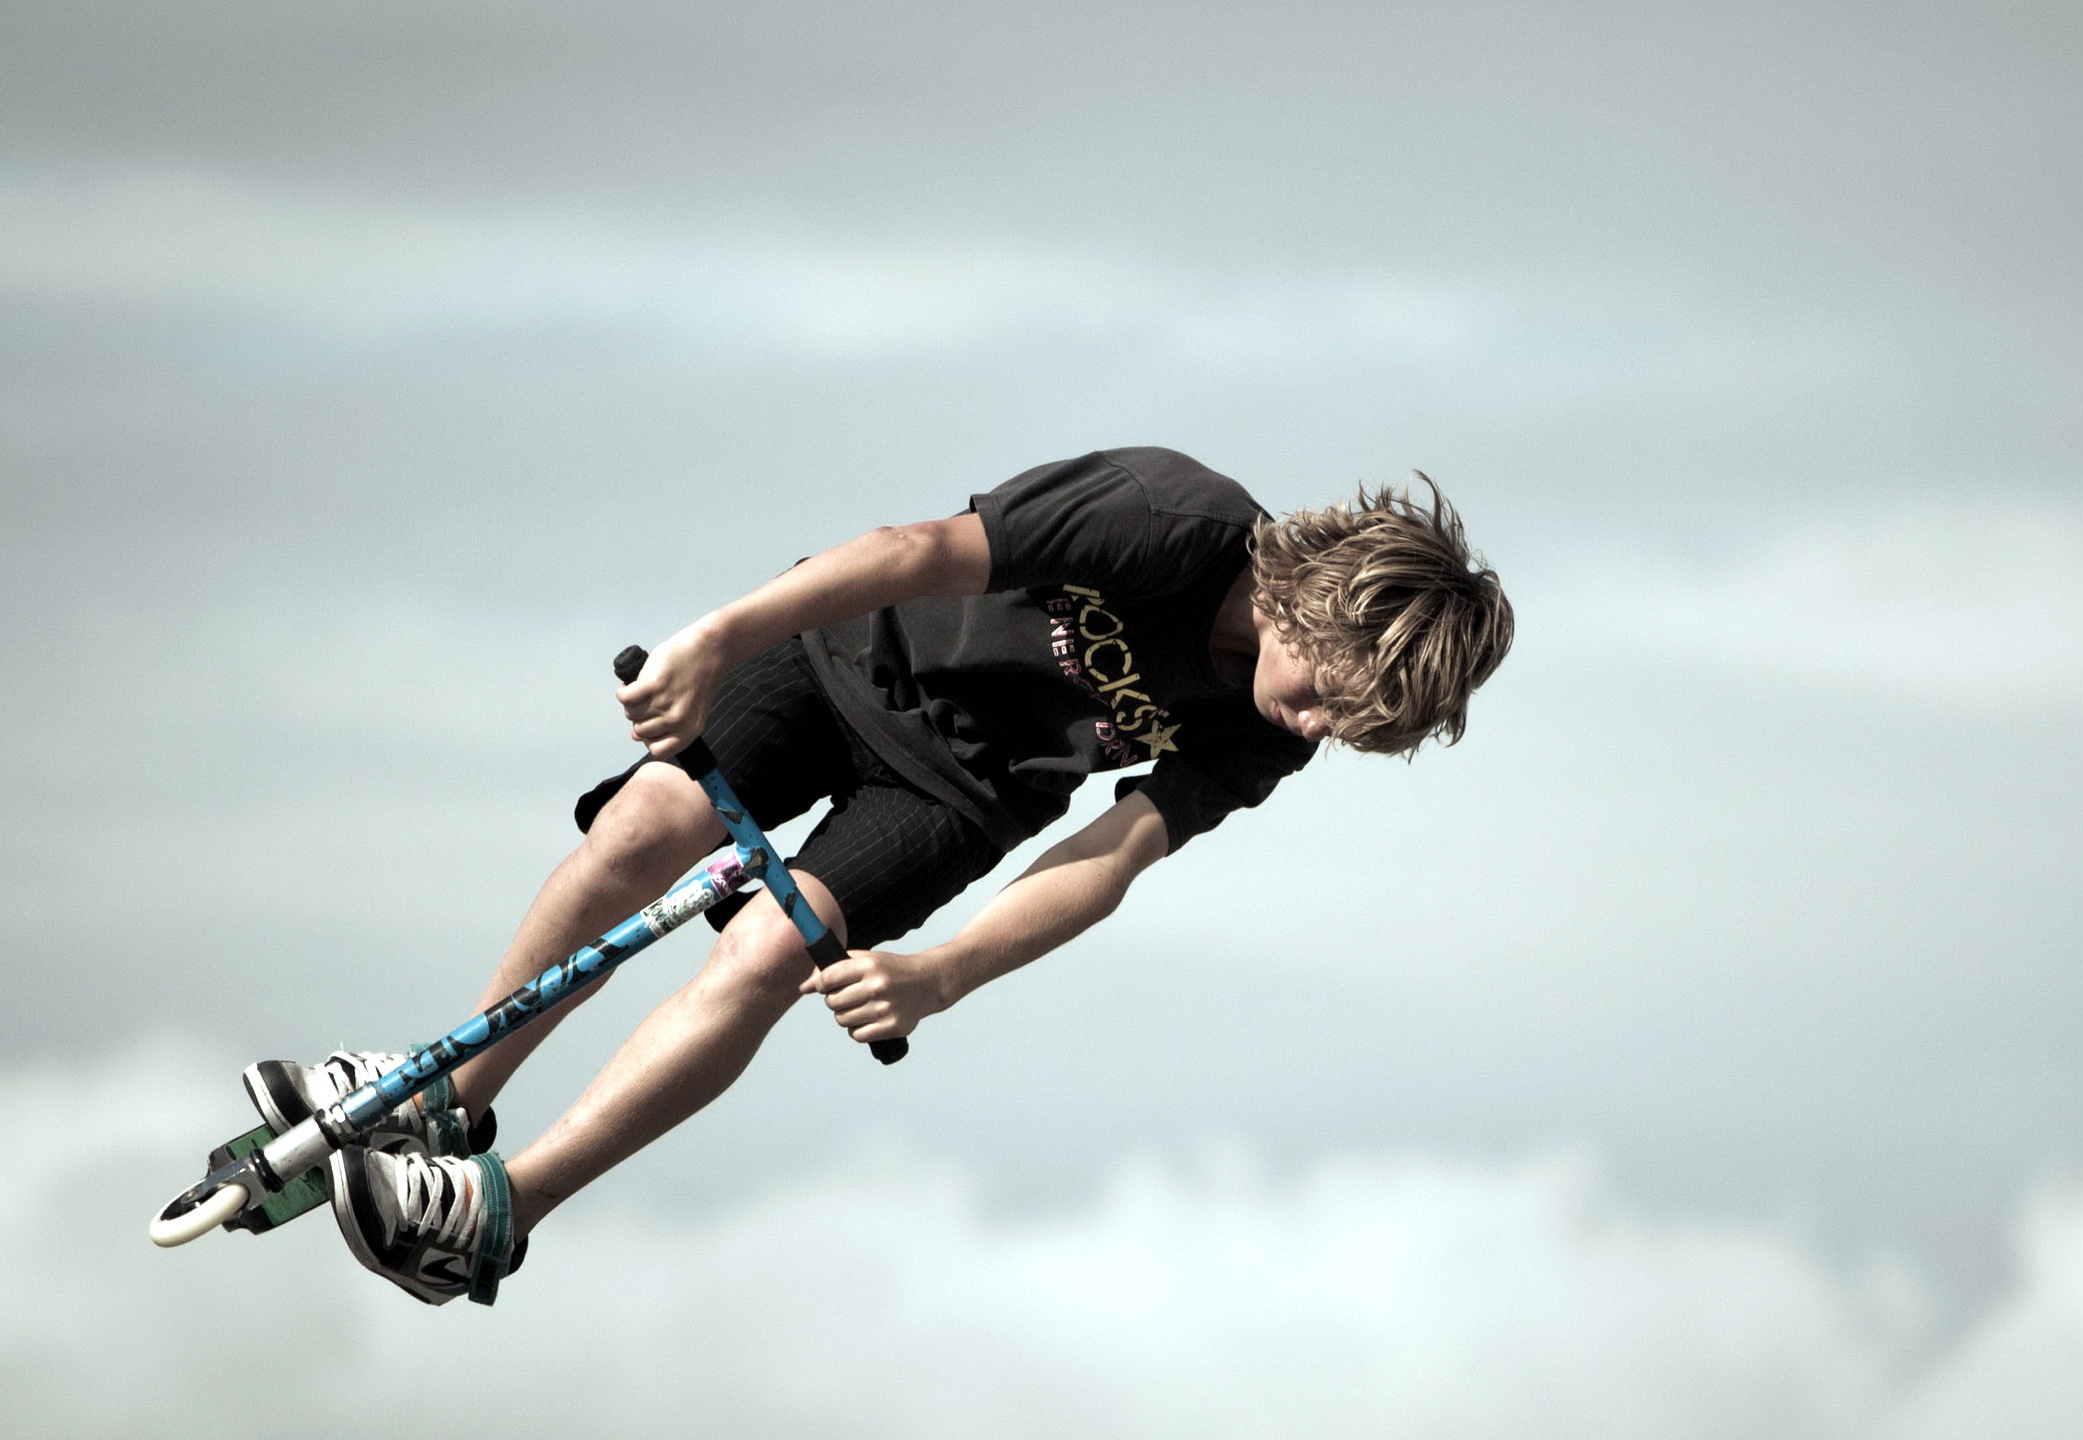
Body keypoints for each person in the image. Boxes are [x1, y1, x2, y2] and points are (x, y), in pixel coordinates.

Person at [242, 447, 1513, 1305]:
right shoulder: (1167, 514)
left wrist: (940, 975)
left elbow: (1109, 856)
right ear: (1314, 609)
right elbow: (914, 551)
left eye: (1346, 730)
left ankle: (495, 1217)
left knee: (767, 952)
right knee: (640, 832)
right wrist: (715, 640)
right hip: (844, 652)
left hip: (957, 795)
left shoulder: (1258, 734)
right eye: (1325, 698)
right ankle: (446, 1102)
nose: (1312, 730)